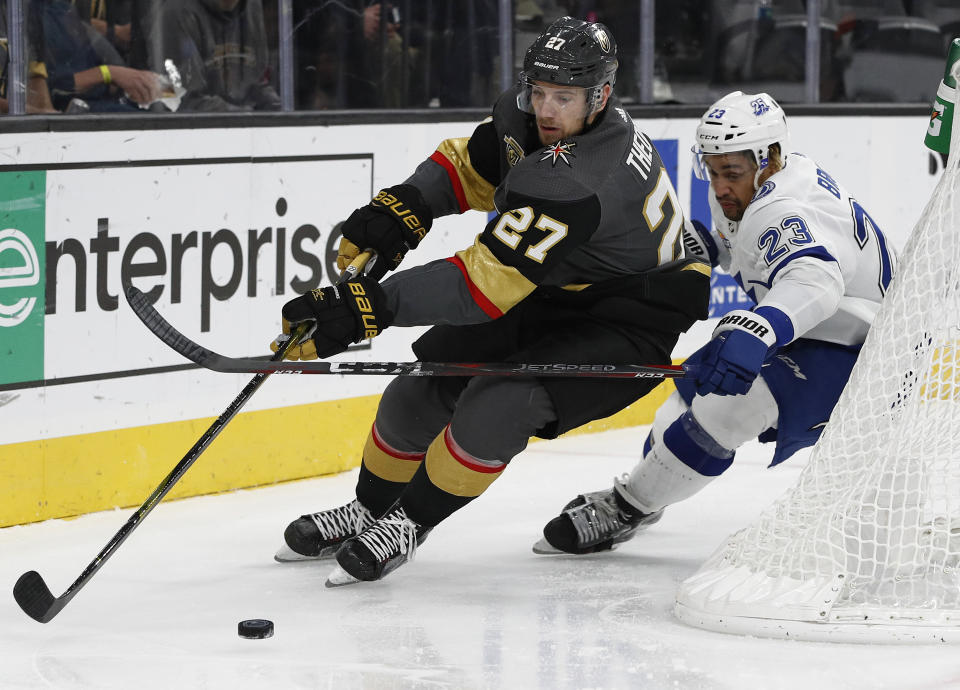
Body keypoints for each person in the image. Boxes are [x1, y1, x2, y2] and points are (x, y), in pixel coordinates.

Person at [271, 16, 710, 585]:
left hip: (632, 313)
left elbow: (480, 286)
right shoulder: (531, 116)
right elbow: (467, 165)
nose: (546, 111)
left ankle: (406, 522)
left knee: (501, 403)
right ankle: (370, 509)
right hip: (559, 285)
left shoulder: (582, 176)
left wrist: (368, 306)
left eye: (565, 98)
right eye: (540, 92)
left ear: (600, 96)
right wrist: (405, 205)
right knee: (417, 390)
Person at [535, 90, 897, 555]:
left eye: (732, 173)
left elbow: (815, 281)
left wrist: (760, 328)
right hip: (808, 328)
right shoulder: (758, 179)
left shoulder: (784, 208)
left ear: (769, 161)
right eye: (713, 170)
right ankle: (645, 495)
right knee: (677, 415)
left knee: (723, 414)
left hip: (864, 351)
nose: (721, 185)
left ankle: (627, 508)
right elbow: (730, 242)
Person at [29, 0, 164, 112]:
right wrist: (110, 73)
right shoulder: (32, 13)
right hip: (77, 115)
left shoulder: (63, 9)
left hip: (108, 103)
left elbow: (98, 61)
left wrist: (138, 83)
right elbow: (53, 86)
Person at [156, 0, 280, 112]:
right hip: (194, 131)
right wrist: (244, 116)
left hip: (242, 126)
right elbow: (182, 100)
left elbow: (257, 82)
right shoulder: (176, 12)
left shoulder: (253, 6)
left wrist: (276, 107)